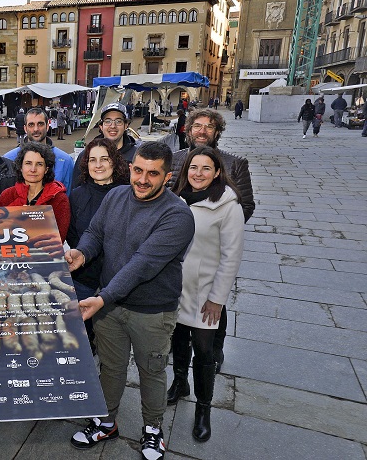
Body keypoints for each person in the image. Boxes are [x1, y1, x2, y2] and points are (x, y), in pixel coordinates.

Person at [65, 142, 195, 460]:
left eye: (153, 174)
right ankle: (106, 422)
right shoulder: (116, 195)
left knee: (151, 371)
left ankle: (152, 430)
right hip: (109, 305)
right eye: (138, 170)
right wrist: (82, 252)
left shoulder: (178, 215)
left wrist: (102, 297)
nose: (142, 179)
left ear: (167, 176)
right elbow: (95, 232)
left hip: (151, 310)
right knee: (110, 368)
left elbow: (143, 264)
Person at [168, 147, 244, 442]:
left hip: (205, 293)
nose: (198, 173)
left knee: (203, 352)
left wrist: (217, 298)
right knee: (177, 339)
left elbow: (231, 257)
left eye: (205, 168)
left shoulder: (228, 206)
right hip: (174, 287)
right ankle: (179, 383)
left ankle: (203, 409)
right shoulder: (175, 199)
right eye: (193, 167)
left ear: (216, 172)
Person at [170, 109, 253, 373]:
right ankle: (181, 376)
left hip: (211, 253)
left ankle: (215, 351)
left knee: (214, 311)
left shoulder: (234, 163)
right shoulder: (173, 159)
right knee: (180, 328)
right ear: (188, 130)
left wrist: (220, 228)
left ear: (217, 132)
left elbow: (246, 204)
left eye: (209, 127)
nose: (202, 131)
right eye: (197, 126)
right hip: (179, 260)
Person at [66, 138, 128, 349]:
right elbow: (73, 235)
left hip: (117, 280)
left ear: (114, 162)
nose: (98, 165)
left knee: (112, 345)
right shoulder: (77, 195)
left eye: (104, 159)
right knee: (82, 339)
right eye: (92, 160)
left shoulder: (128, 194)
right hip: (84, 279)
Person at [0, 141, 70, 242]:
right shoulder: (7, 196)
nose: (33, 169)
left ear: (46, 169)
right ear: (20, 167)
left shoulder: (59, 199)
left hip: (44, 256)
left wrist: (33, 222)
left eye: (39, 164)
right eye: (28, 163)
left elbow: (59, 238)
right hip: (10, 255)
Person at [4, 107, 74, 193]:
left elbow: (68, 197)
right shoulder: (9, 160)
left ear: (48, 126)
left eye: (40, 124)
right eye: (31, 125)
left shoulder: (65, 161)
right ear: (25, 128)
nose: (36, 129)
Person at [73, 102, 139, 188]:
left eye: (118, 121)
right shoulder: (87, 155)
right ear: (101, 126)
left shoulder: (136, 156)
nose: (113, 126)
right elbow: (77, 187)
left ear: (126, 125)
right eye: (108, 121)